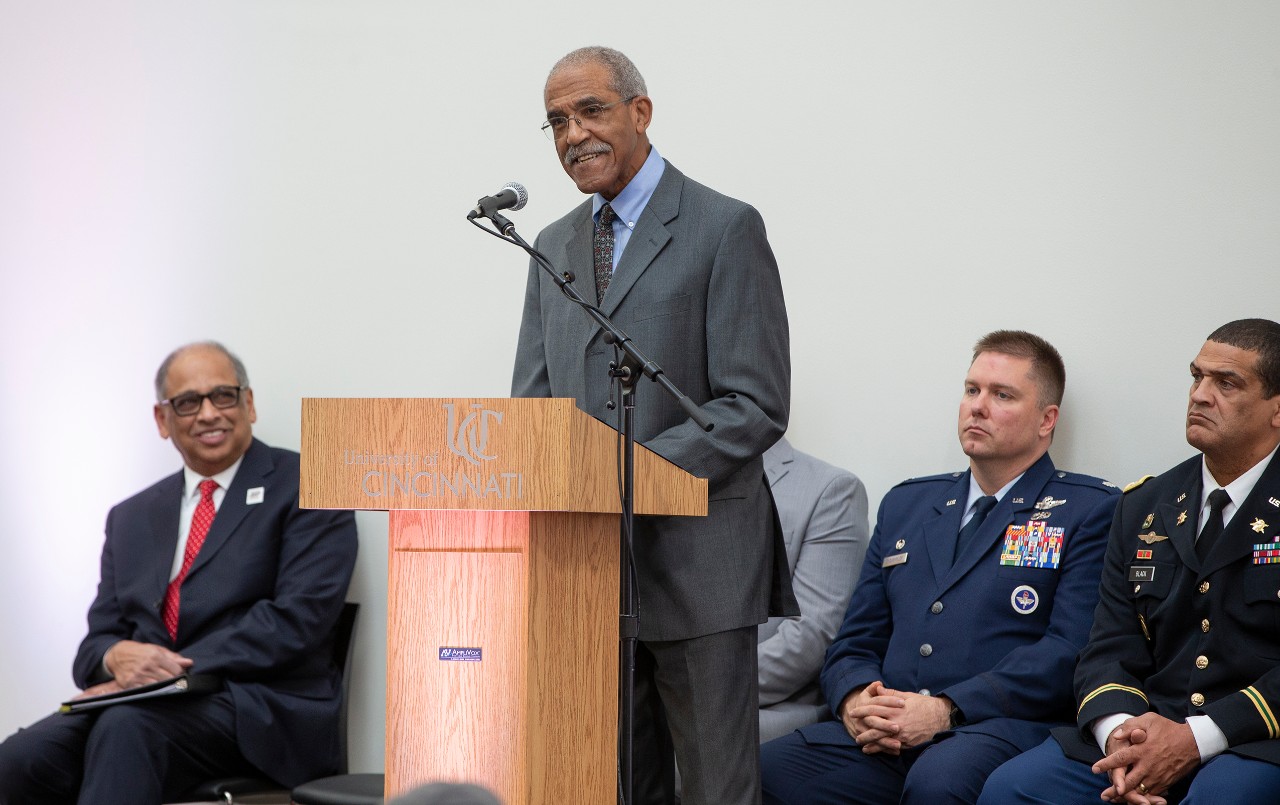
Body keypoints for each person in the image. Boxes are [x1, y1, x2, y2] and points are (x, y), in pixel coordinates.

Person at [512, 46, 792, 805]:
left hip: (699, 564)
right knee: (607, 785)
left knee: (714, 789)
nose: (574, 135)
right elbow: (534, 410)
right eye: (558, 121)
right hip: (588, 566)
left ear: (640, 112)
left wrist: (623, 468)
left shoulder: (725, 227)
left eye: (591, 111)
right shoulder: (550, 243)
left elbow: (755, 403)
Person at [760, 330, 1120, 805]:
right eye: (972, 390)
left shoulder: (1087, 509)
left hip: (996, 728)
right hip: (887, 732)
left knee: (938, 783)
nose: (978, 406)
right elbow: (855, 638)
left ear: (1046, 420)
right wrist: (854, 701)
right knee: (762, 771)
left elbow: (1066, 652)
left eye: (1002, 395)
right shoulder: (909, 503)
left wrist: (947, 709)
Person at [0, 342, 359, 805]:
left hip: (260, 708)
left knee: (126, 730)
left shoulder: (309, 484)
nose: (208, 414)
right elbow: (95, 646)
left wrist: (166, 671)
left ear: (249, 403)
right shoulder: (130, 517)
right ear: (162, 420)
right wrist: (116, 658)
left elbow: (295, 622)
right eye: (188, 403)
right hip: (149, 706)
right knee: (19, 759)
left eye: (223, 396)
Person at [979, 318, 1280, 805]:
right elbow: (1109, 646)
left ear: (1277, 410)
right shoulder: (1144, 504)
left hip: (1256, 739)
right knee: (1013, 788)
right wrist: (1121, 736)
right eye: (1196, 377)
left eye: (1226, 383)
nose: (1200, 395)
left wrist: (1197, 739)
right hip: (1145, 726)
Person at [760, 437, 869, 743]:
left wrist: (698, 690)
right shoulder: (656, 478)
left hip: (765, 710)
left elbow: (812, 636)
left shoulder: (831, 489)